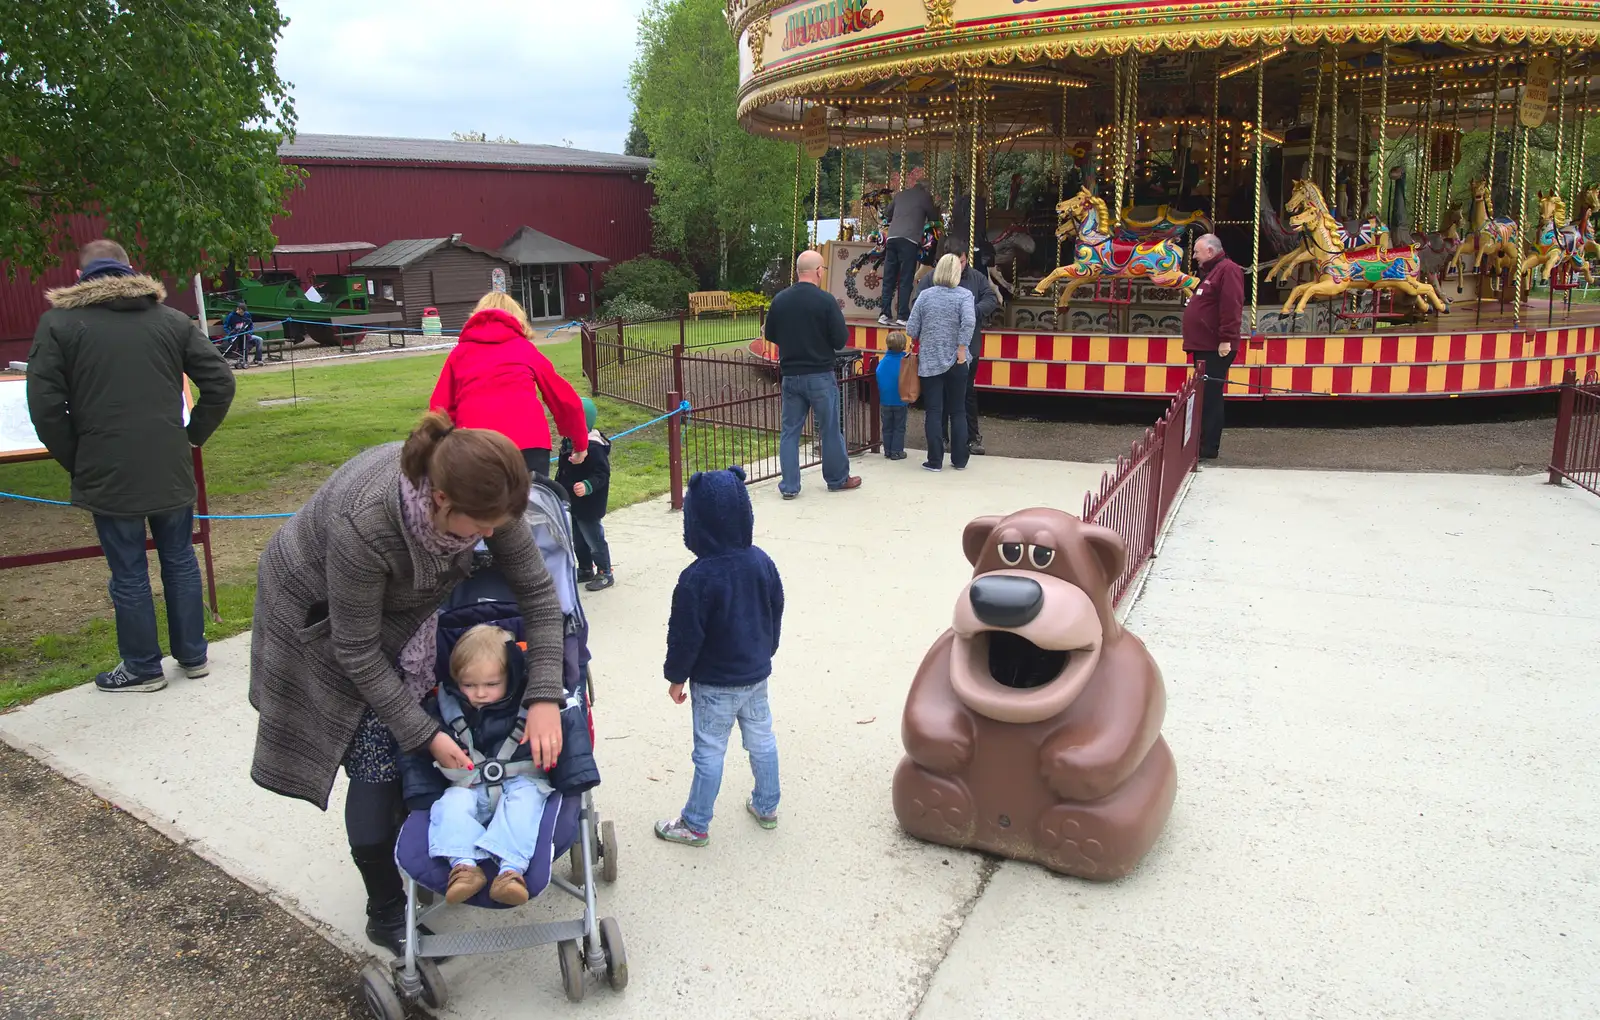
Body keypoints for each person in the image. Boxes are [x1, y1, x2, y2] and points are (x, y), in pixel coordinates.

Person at [248, 411, 567, 956]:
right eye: (482, 527)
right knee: (376, 757)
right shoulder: (367, 524)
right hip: (320, 619)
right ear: (441, 500)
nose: (492, 537)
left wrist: (542, 696)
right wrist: (422, 732)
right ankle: (384, 908)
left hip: (404, 615)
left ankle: (421, 841)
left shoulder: (487, 492)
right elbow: (355, 650)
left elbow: (539, 596)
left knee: (415, 741)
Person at [25, 239, 236, 693]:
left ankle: (142, 666)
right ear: (128, 271)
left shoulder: (59, 324)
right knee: (180, 558)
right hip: (169, 461)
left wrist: (76, 458)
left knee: (128, 569)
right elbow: (220, 383)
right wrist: (190, 436)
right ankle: (193, 654)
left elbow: (44, 407)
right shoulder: (171, 321)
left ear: (81, 275)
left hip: (107, 466)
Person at [654, 467, 784, 847]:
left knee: (709, 751)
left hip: (714, 684)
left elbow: (685, 637)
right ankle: (767, 805)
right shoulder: (761, 561)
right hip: (756, 674)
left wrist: (676, 677)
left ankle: (695, 824)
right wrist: (767, 649)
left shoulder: (696, 578)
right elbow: (775, 608)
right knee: (762, 740)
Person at [399, 624, 553, 907]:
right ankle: (464, 865)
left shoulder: (529, 703)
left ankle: (510, 870)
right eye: (468, 685)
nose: (480, 693)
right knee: (449, 805)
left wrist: (574, 775)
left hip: (519, 779)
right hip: (468, 784)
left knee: (526, 801)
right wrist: (419, 795)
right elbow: (416, 750)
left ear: (511, 677)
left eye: (491, 685)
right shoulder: (444, 707)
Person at [429, 292, 587, 478]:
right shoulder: (525, 350)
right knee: (532, 505)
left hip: (475, 447)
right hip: (528, 445)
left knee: (477, 506)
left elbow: (440, 410)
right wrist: (580, 442)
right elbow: (564, 399)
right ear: (518, 318)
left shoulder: (460, 354)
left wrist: (442, 448)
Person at [765, 250, 862, 499]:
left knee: (790, 431)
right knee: (829, 429)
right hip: (819, 373)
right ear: (819, 271)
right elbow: (840, 339)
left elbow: (771, 334)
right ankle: (837, 478)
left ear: (799, 271)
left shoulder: (780, 300)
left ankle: (789, 486)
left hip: (791, 374)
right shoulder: (825, 301)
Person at [914, 241, 998, 456]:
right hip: (944, 349)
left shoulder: (976, 278)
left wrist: (973, 311)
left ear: (966, 259)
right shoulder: (930, 280)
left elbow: (990, 299)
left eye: (961, 262)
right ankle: (941, 439)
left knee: (965, 396)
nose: (958, 267)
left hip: (967, 348)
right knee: (939, 400)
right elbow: (915, 304)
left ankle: (971, 439)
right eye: (954, 262)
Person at [905, 253, 976, 473]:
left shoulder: (925, 296)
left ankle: (935, 460)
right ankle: (960, 459)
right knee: (958, 410)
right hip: (957, 360)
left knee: (934, 411)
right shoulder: (965, 295)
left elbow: (911, 329)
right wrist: (962, 348)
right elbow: (970, 321)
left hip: (930, 360)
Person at [1181, 233, 1245, 460]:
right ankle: (1201, 443)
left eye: (1197, 252)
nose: (1195, 257)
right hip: (1204, 345)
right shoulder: (1211, 272)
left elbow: (1232, 305)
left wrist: (1226, 339)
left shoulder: (1228, 270)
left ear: (1210, 250)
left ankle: (1208, 448)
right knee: (1204, 396)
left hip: (1215, 347)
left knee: (1210, 396)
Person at [555, 397, 615, 592]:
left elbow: (602, 474)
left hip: (589, 504)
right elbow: (563, 469)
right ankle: (585, 568)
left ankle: (605, 572)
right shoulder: (568, 443)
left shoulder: (594, 447)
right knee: (578, 540)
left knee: (594, 539)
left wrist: (587, 485)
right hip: (573, 503)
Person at [879, 177, 940, 325]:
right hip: (910, 239)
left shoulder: (900, 194)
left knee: (889, 277)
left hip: (892, 238)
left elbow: (887, 212)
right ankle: (902, 315)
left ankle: (884, 314)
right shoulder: (925, 197)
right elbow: (934, 217)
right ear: (926, 189)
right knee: (906, 278)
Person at [875, 332, 909, 460]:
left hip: (885, 401)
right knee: (899, 427)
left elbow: (879, 374)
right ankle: (897, 451)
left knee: (887, 427)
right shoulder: (904, 360)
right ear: (903, 346)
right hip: (901, 400)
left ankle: (888, 450)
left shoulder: (883, 362)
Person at [223, 301, 264, 366]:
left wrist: (250, 332)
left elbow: (251, 325)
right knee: (243, 343)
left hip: (247, 335)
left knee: (259, 340)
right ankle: (243, 359)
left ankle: (258, 359)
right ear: (238, 309)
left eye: (244, 312)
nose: (243, 314)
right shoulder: (231, 316)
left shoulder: (247, 314)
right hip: (236, 336)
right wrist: (230, 334)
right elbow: (226, 326)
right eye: (241, 312)